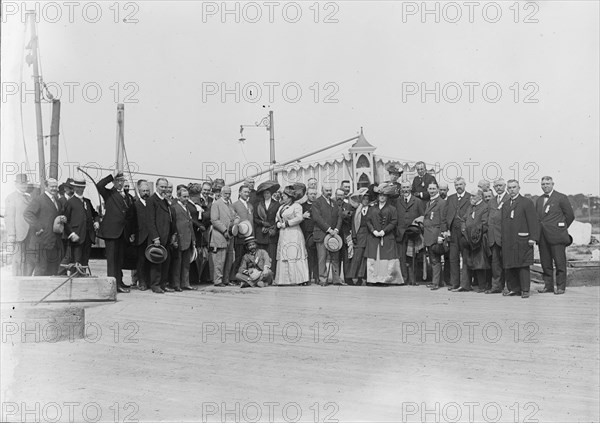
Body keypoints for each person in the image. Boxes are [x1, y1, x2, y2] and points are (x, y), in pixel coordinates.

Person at [96, 171, 136, 293]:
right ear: (113, 182)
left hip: (123, 232)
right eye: (117, 181)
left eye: (122, 181)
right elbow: (99, 185)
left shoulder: (127, 196)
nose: (120, 183)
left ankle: (119, 281)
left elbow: (130, 215)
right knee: (112, 260)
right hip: (111, 232)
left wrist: (131, 232)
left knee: (120, 259)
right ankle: (112, 285)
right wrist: (111, 177)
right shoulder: (108, 194)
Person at [536, 176, 575, 295]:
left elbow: (570, 215)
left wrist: (560, 228)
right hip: (542, 236)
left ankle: (561, 287)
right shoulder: (539, 199)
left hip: (557, 236)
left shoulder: (561, 197)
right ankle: (548, 286)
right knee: (545, 263)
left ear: (553, 184)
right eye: (543, 184)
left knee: (559, 262)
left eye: (548, 183)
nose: (545, 186)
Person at [502, 180, 539, 299]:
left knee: (523, 264)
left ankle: (525, 289)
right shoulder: (506, 204)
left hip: (523, 238)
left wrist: (533, 237)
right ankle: (514, 288)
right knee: (511, 263)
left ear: (519, 188)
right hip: (509, 239)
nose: (512, 190)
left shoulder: (526, 202)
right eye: (510, 188)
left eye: (514, 187)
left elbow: (533, 221)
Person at [23, 178, 64, 276]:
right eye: (52, 186)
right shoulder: (39, 200)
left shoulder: (57, 202)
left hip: (54, 241)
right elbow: (27, 213)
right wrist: (38, 227)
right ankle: (38, 291)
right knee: (41, 269)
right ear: (46, 187)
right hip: (42, 241)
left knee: (53, 269)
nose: (54, 188)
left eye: (56, 186)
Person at [365, 182, 402, 285]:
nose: (381, 197)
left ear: (387, 197)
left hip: (387, 237)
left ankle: (385, 279)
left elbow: (394, 221)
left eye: (384, 195)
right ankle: (373, 279)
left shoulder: (392, 209)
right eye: (380, 195)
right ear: (377, 196)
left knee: (386, 260)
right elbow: (368, 221)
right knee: (374, 259)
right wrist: (373, 230)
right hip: (374, 238)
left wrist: (384, 231)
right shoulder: (372, 208)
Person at [61, 177, 99, 271]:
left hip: (88, 237)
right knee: (75, 262)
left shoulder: (87, 202)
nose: (80, 189)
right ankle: (75, 281)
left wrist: (97, 221)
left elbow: (95, 214)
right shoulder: (70, 202)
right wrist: (71, 234)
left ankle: (83, 280)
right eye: (78, 187)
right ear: (74, 188)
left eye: (82, 187)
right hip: (76, 237)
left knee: (85, 262)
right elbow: (65, 221)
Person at [273, 186, 309, 285]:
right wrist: (278, 223)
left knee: (294, 254)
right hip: (284, 233)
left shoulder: (297, 206)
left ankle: (299, 279)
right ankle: (284, 280)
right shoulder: (281, 207)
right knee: (284, 254)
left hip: (293, 233)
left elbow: (299, 218)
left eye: (284, 196)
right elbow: (277, 217)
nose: (282, 197)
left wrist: (287, 223)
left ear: (290, 197)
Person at [147, 178, 176, 293]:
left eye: (165, 187)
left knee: (165, 262)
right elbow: (150, 221)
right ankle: (155, 285)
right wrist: (155, 238)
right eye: (162, 187)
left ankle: (163, 284)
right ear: (156, 187)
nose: (164, 189)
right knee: (156, 261)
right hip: (158, 238)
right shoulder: (152, 200)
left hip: (166, 237)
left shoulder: (165, 201)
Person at [458, 189, 490, 293]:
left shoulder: (485, 207)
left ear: (480, 196)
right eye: (471, 196)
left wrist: (474, 233)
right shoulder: (470, 207)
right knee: (466, 262)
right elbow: (463, 219)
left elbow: (485, 223)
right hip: (467, 239)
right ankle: (465, 285)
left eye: (473, 196)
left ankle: (482, 286)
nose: (471, 198)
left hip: (478, 239)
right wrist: (463, 229)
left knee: (480, 263)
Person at [311, 185, 343, 285]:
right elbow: (317, 218)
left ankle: (336, 279)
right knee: (322, 258)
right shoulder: (317, 202)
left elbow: (339, 216)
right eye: (326, 190)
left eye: (330, 190)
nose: (329, 192)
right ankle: (323, 279)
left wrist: (336, 229)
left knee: (335, 258)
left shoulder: (334, 202)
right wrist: (329, 229)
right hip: (321, 234)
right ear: (322, 191)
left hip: (334, 235)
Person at [395, 180, 425, 285]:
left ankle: (413, 280)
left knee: (413, 257)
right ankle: (404, 278)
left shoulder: (418, 201)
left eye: (407, 187)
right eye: (403, 188)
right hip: (401, 233)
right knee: (402, 257)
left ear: (411, 188)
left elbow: (423, 216)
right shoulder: (397, 201)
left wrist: (417, 223)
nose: (405, 190)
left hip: (413, 233)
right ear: (401, 189)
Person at [5, 173, 34, 276]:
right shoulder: (11, 197)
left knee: (27, 260)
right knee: (17, 260)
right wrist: (12, 234)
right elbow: (9, 217)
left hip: (30, 234)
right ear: (16, 184)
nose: (24, 185)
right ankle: (16, 282)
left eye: (25, 183)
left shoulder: (29, 197)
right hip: (18, 234)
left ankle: (25, 282)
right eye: (21, 183)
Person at [446, 177, 472, 291]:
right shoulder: (450, 198)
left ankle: (465, 284)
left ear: (465, 185)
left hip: (464, 232)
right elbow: (445, 215)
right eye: (456, 185)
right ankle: (454, 283)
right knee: (453, 258)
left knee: (466, 258)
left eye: (460, 184)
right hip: (453, 232)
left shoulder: (470, 197)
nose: (458, 187)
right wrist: (445, 229)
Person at [210, 185, 238, 287]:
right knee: (219, 260)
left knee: (229, 259)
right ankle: (218, 280)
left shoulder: (230, 205)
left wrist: (236, 224)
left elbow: (235, 217)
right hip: (220, 236)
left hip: (230, 236)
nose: (227, 195)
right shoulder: (216, 204)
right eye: (226, 193)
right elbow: (214, 220)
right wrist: (225, 230)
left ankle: (226, 279)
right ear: (221, 193)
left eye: (229, 194)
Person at [171, 186, 197, 291]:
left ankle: (185, 283)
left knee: (186, 263)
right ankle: (176, 284)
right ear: (178, 197)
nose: (186, 198)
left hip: (188, 239)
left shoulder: (187, 208)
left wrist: (193, 239)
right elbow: (173, 224)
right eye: (184, 197)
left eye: (187, 197)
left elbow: (190, 224)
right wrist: (174, 239)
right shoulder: (174, 207)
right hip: (179, 239)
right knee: (177, 263)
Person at [422, 182, 448, 290]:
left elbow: (443, 220)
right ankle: (438, 281)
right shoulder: (429, 202)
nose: (432, 191)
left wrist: (441, 235)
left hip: (435, 234)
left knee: (435, 259)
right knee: (433, 259)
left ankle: (435, 283)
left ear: (437, 189)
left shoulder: (441, 203)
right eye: (430, 189)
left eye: (434, 188)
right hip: (428, 234)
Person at [487, 178, 509, 294]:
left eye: (500, 185)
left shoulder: (509, 198)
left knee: (507, 262)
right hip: (493, 237)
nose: (498, 188)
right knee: (495, 264)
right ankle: (496, 286)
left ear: (504, 186)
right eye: (496, 186)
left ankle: (508, 286)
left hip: (505, 236)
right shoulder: (491, 201)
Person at [254, 181, 280, 275]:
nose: (266, 195)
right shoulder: (258, 205)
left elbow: (278, 218)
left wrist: (272, 227)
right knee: (261, 254)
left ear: (271, 194)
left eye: (268, 193)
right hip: (261, 233)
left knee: (271, 254)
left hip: (271, 233)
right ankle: (261, 275)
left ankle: (271, 275)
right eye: (264, 193)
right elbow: (255, 218)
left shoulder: (277, 204)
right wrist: (262, 223)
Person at [347, 187, 372, 285]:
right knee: (357, 257)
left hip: (369, 235)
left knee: (365, 258)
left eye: (367, 199)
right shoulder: (357, 210)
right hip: (359, 234)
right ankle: (354, 277)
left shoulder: (371, 209)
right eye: (364, 199)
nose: (366, 201)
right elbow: (353, 224)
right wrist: (354, 236)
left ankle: (363, 277)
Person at [231, 185, 254, 282]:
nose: (247, 194)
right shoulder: (235, 205)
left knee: (248, 257)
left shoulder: (250, 205)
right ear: (240, 192)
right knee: (239, 256)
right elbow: (233, 219)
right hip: (240, 235)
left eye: (248, 192)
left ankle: (244, 278)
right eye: (245, 192)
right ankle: (233, 278)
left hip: (250, 235)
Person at [134, 180, 151, 290]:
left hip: (151, 236)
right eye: (143, 191)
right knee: (141, 260)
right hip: (140, 237)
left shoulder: (151, 203)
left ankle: (149, 281)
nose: (145, 193)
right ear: (139, 191)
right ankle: (141, 282)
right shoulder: (135, 204)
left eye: (147, 191)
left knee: (150, 259)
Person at [301, 186, 319, 283]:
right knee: (308, 255)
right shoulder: (302, 206)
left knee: (317, 255)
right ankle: (307, 277)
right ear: (307, 195)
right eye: (311, 194)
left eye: (314, 194)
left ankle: (316, 277)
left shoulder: (319, 205)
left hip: (317, 232)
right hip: (306, 233)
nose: (313, 196)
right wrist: (302, 216)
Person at [336, 188, 355, 284]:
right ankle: (336, 278)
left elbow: (350, 217)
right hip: (335, 235)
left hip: (346, 234)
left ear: (344, 196)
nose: (339, 197)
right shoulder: (332, 205)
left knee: (347, 258)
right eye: (338, 195)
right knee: (336, 258)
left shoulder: (349, 206)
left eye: (341, 195)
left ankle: (348, 278)